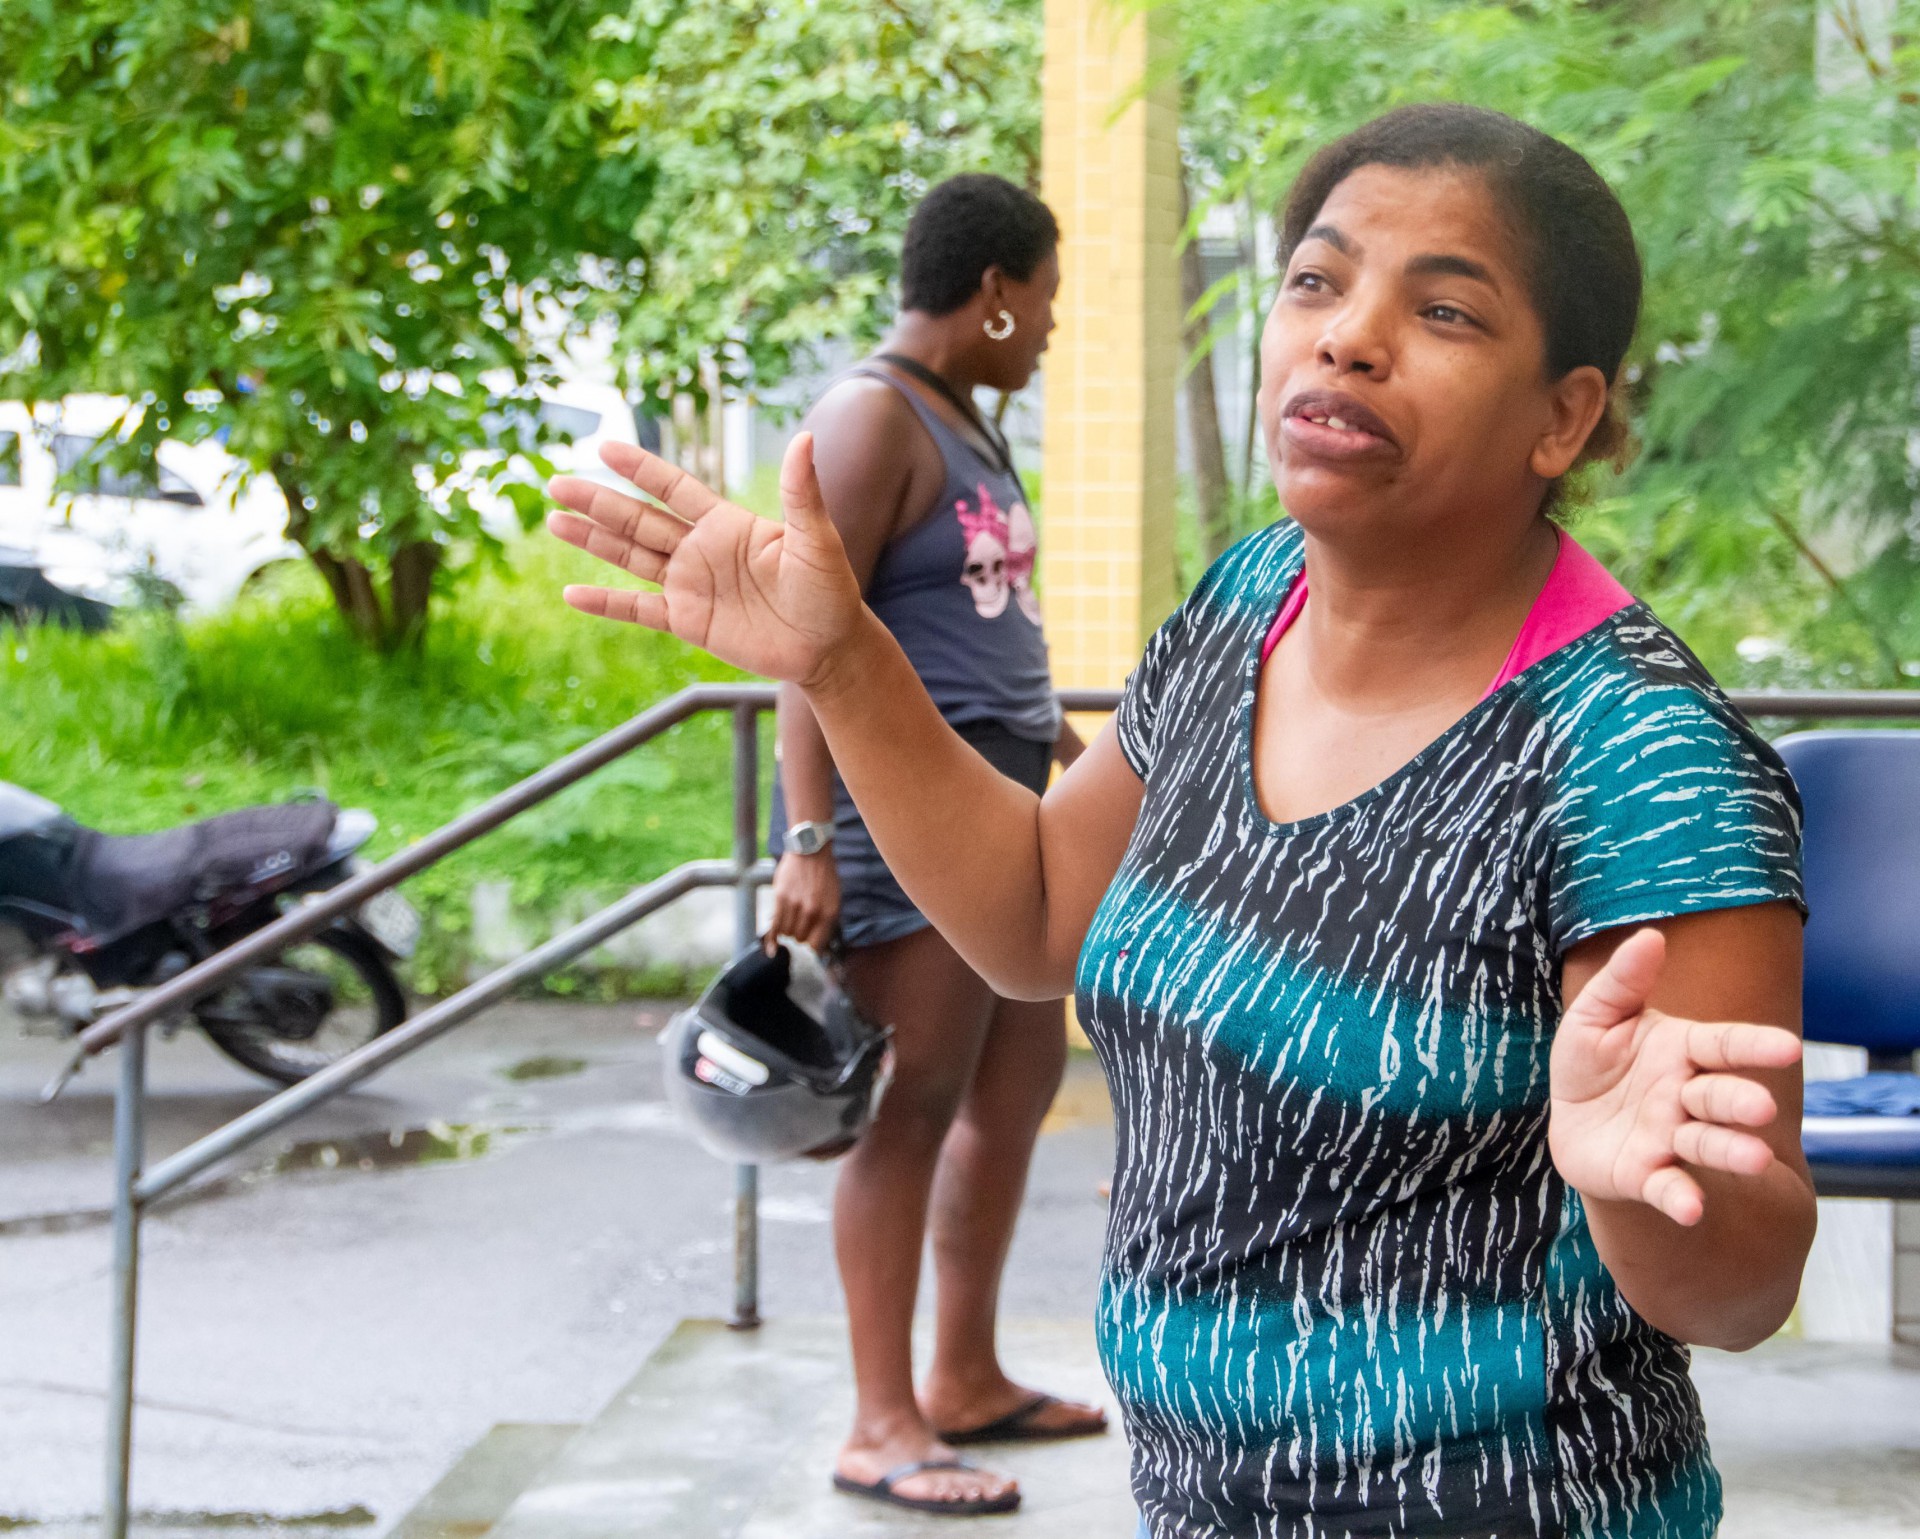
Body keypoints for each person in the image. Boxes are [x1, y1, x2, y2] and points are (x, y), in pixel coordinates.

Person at [548, 104, 1816, 1538]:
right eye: (1318, 282)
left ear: (1563, 416)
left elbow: (1744, 1288)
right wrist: (840, 659)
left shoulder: (1639, 761)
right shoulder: (1244, 607)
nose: (1348, 337)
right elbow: (1037, 917)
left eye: (1444, 310)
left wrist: (1638, 1192)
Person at [777, 173, 1106, 1515]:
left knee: (1010, 1094)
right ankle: (879, 1420)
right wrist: (809, 841)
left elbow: (986, 641)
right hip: (903, 830)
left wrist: (1077, 774)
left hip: (1011, 815)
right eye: (1045, 301)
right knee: (905, 1116)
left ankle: (964, 1378)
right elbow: (807, 643)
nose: (1049, 326)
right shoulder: (870, 420)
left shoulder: (961, 420)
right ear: (991, 296)